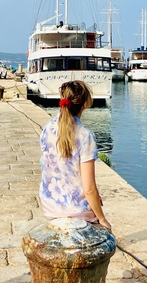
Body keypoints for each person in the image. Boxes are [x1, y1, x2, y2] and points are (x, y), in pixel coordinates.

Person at [39, 80, 112, 231]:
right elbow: (89, 189)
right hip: (76, 210)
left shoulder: (48, 128)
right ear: (85, 105)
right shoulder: (85, 136)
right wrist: (102, 218)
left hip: (49, 205)